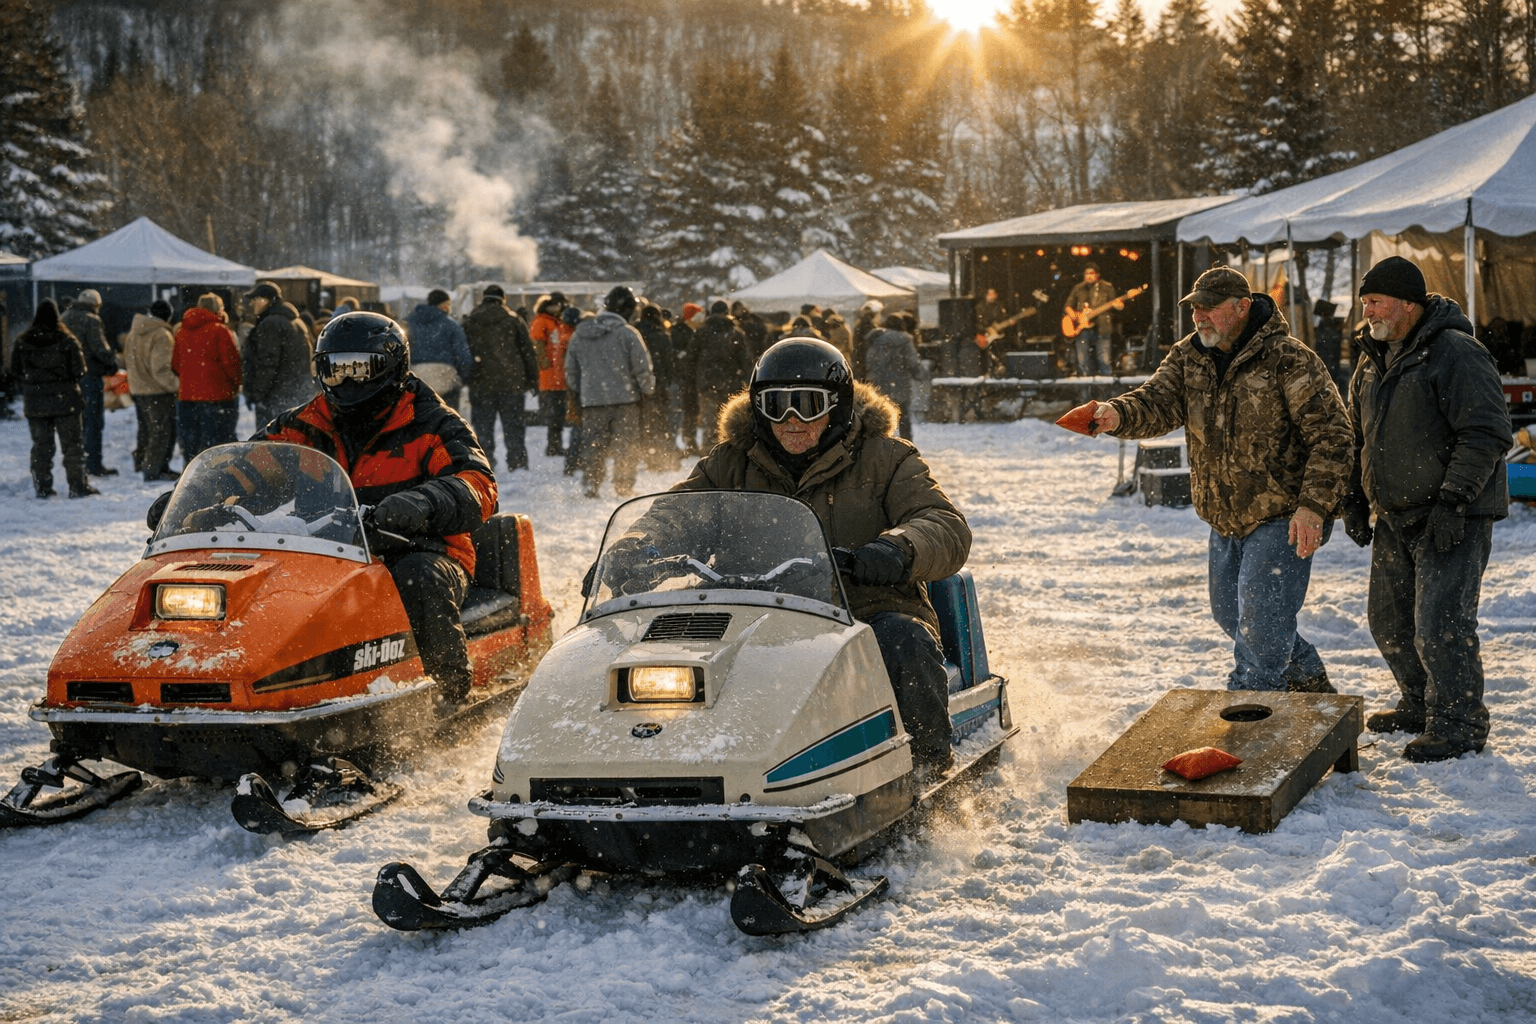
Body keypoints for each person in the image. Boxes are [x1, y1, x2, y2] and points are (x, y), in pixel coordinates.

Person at [672, 337, 970, 772]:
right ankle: (669, 761)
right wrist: (641, 544)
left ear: (839, 406)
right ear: (758, 409)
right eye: (776, 406)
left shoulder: (887, 459)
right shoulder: (729, 464)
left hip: (863, 608)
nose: (792, 420)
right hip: (750, 610)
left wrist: (895, 548)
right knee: (666, 659)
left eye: (809, 405)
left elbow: (943, 523)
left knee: (905, 642)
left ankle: (926, 768)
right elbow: (677, 513)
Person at [1074, 266, 1354, 694]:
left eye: (1209, 308)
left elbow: (1332, 435)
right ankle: (1308, 676)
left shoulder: (1289, 359)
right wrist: (1116, 414)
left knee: (1260, 629)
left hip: (1281, 515)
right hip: (1224, 516)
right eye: (1195, 309)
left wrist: (1313, 506)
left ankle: (1250, 712)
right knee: (1231, 615)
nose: (1199, 317)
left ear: (1242, 308)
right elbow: (1157, 401)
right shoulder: (1190, 356)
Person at [257, 311, 498, 710]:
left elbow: (478, 483)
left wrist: (425, 501)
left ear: (391, 367)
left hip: (423, 550)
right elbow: (252, 466)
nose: (347, 381)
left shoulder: (432, 422)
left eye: (359, 368)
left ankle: (447, 689)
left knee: (416, 577)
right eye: (335, 370)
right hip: (325, 552)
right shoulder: (304, 425)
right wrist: (204, 498)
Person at [1341, 256, 1513, 762]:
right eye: (1365, 301)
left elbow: (1486, 433)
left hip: (1452, 513)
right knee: (1389, 622)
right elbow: (1359, 436)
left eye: (1375, 300)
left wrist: (1454, 501)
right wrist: (1353, 496)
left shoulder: (1457, 352)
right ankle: (1419, 703)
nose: (1366, 308)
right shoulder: (1374, 359)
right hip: (1395, 515)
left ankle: (1458, 723)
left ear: (1408, 304)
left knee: (1441, 623)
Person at [564, 285, 654, 499]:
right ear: (627, 310)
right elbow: (643, 367)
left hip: (592, 400)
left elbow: (570, 369)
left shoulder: (580, 333)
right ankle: (623, 485)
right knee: (626, 445)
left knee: (594, 444)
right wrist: (648, 390)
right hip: (626, 399)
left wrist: (581, 390)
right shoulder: (628, 334)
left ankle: (591, 484)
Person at [11, 300, 95, 498]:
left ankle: (43, 487)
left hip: (36, 403)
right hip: (66, 401)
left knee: (41, 447)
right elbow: (80, 370)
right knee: (73, 447)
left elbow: (15, 371)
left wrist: (34, 383)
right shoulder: (67, 340)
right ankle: (77, 486)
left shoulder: (23, 342)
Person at [463, 284, 540, 471]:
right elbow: (528, 352)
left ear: (484, 298)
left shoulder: (471, 321)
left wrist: (469, 377)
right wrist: (533, 380)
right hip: (511, 382)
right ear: (502, 299)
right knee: (514, 427)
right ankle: (517, 463)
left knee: (483, 429)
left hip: (481, 383)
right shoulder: (513, 320)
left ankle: (484, 465)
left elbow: (463, 352)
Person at [173, 294, 243, 462]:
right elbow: (231, 364)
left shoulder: (181, 332)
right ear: (219, 311)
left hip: (187, 397)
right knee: (218, 447)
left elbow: (176, 364)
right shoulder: (221, 331)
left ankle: (190, 481)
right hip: (218, 397)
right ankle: (216, 482)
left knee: (191, 447)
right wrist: (236, 384)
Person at [60, 289, 118, 476]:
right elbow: (100, 349)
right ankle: (93, 464)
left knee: (75, 424)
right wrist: (112, 363)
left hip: (68, 379)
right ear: (96, 305)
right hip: (89, 377)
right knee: (93, 422)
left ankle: (76, 465)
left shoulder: (65, 316)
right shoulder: (91, 319)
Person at [242, 282, 316, 428]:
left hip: (276, 397)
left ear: (268, 301)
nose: (253, 304)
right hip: (296, 394)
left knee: (271, 444)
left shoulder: (271, 323)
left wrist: (258, 395)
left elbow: (267, 363)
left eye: (257, 299)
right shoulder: (295, 320)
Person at [122, 299, 179, 481]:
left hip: (138, 389)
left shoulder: (134, 332)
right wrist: (177, 385)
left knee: (146, 429)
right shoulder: (162, 334)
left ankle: (142, 461)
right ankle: (155, 469)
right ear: (168, 316)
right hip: (157, 391)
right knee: (162, 431)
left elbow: (127, 361)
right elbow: (160, 369)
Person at [692, 300, 753, 442]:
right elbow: (746, 360)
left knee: (709, 421)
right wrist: (746, 381)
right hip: (730, 384)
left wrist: (696, 379)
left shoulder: (701, 332)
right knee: (728, 422)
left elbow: (691, 359)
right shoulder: (735, 332)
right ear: (728, 313)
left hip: (706, 384)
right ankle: (728, 451)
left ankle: (709, 452)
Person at [404, 288, 473, 412]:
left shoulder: (409, 322)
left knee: (421, 415)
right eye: (448, 304)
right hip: (445, 376)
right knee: (448, 416)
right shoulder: (451, 325)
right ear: (443, 305)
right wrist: (463, 377)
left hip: (417, 376)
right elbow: (463, 355)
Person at [863, 312, 922, 441]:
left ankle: (881, 443)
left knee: (881, 416)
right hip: (900, 383)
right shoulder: (905, 340)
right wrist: (920, 374)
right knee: (903, 417)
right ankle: (906, 444)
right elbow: (912, 362)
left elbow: (869, 361)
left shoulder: (876, 338)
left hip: (879, 384)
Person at [528, 292, 571, 457]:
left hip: (559, 376)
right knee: (553, 416)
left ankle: (555, 445)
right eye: (556, 305)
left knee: (559, 415)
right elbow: (537, 342)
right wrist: (543, 360)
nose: (559, 307)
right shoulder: (541, 321)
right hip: (549, 376)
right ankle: (554, 446)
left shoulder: (558, 322)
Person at [1064, 264, 1119, 377]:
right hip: (1083, 328)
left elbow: (1117, 306)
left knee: (1104, 360)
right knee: (1083, 361)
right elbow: (1068, 306)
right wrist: (1074, 315)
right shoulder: (1078, 288)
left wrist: (1119, 305)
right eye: (1086, 274)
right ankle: (1086, 392)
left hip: (1102, 327)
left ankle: (1106, 391)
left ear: (1097, 275)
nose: (1089, 276)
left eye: (1092, 273)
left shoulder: (1107, 287)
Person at [672, 302, 702, 454]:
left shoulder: (692, 331)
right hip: (684, 378)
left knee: (691, 411)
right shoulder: (680, 332)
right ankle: (687, 442)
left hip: (690, 378)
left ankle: (690, 441)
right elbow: (679, 356)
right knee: (686, 411)